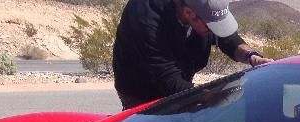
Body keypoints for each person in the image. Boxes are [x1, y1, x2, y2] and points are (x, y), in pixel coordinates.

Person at [112, 0, 272, 110]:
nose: (213, 30)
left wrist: (252, 57)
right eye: (210, 26)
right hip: (141, 91)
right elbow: (166, 77)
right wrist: (208, 97)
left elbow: (226, 38)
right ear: (189, 13)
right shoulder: (146, 17)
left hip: (176, 79)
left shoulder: (202, 9)